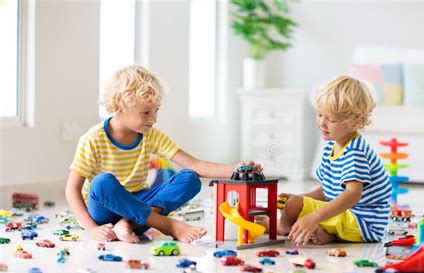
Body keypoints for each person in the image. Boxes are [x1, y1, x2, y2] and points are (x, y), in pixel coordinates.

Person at [65, 65, 261, 244]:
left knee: (190, 178)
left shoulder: (150, 135)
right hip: (105, 211)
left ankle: (127, 225)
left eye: (156, 111)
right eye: (146, 112)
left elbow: (194, 165)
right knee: (102, 183)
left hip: (140, 210)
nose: (154, 119)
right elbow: (72, 190)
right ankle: (169, 225)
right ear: (119, 106)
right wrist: (92, 229)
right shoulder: (92, 139)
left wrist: (234, 169)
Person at [272, 76, 391, 246]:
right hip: (350, 217)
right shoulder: (332, 145)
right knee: (294, 203)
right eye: (320, 114)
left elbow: (352, 194)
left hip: (363, 223)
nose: (321, 123)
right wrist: (302, 198)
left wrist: (312, 216)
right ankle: (329, 235)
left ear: (355, 122)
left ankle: (281, 228)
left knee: (295, 206)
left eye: (331, 119)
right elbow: (329, 189)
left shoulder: (354, 152)